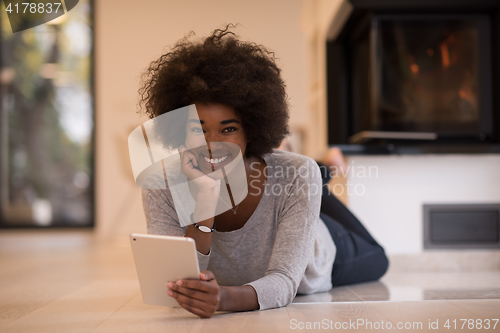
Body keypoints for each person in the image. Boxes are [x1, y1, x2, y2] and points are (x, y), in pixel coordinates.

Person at [138, 25, 388, 318]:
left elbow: (284, 282)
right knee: (301, 174)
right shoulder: (161, 184)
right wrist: (205, 201)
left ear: (251, 131)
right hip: (289, 181)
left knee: (379, 259)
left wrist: (223, 299)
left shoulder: (293, 174)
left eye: (228, 129)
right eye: (198, 129)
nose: (212, 144)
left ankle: (319, 171)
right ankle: (319, 169)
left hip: (319, 251)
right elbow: (176, 282)